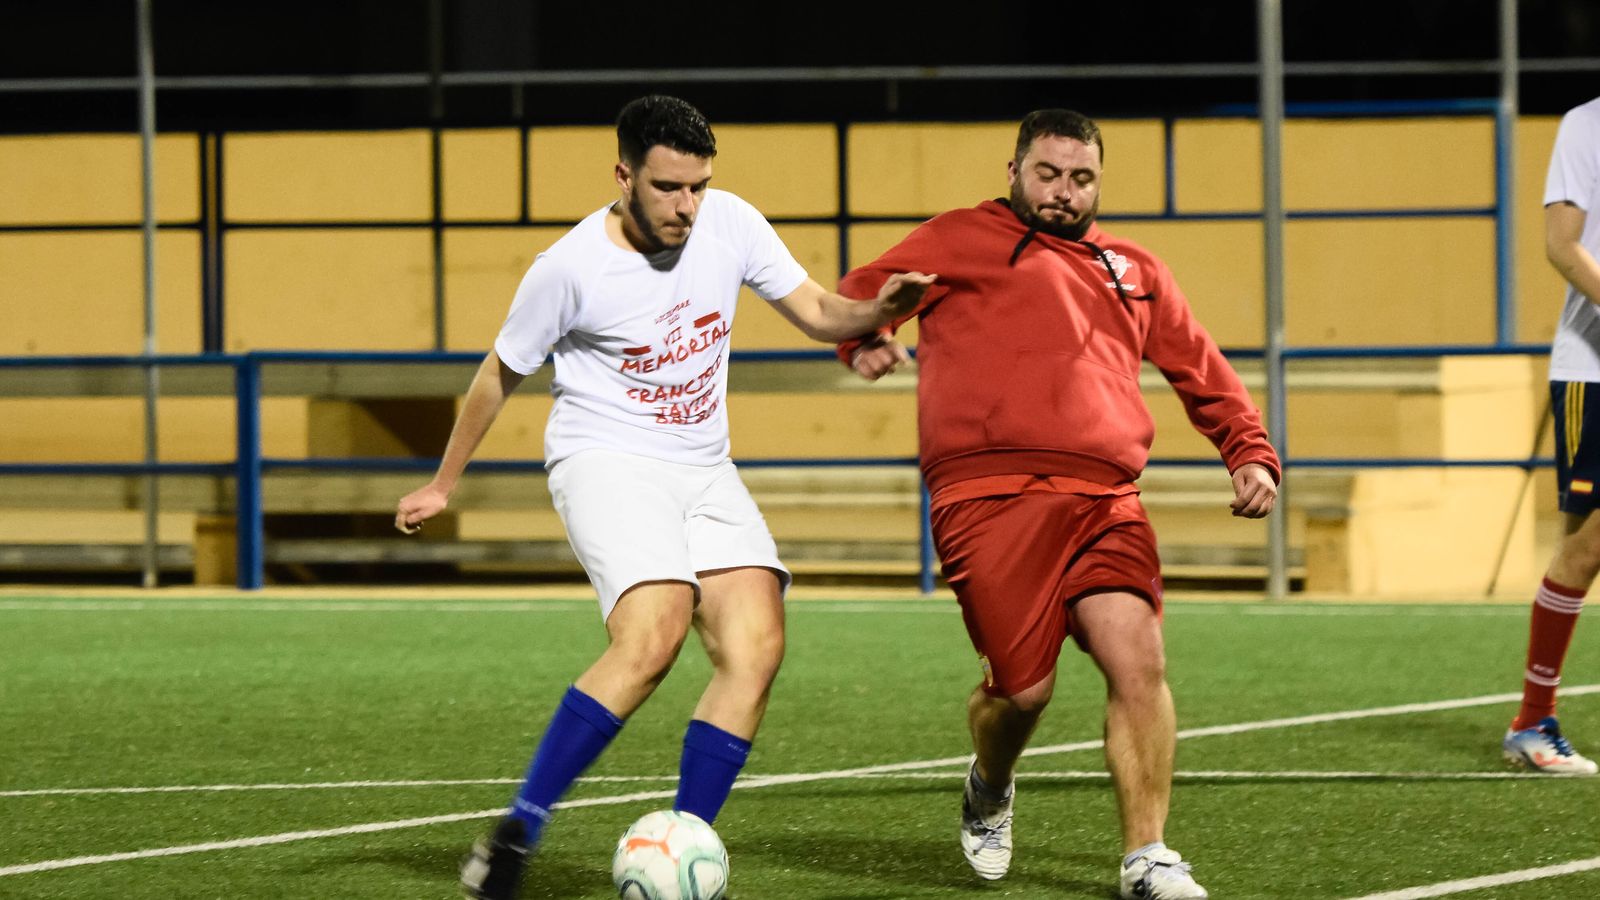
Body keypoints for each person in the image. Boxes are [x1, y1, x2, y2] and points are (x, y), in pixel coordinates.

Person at [395, 94, 932, 900]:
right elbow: (498, 373)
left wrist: (877, 312)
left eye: (698, 186)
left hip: (703, 466)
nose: (687, 205)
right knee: (654, 634)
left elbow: (820, 311)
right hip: (605, 460)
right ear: (624, 176)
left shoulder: (732, 223)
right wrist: (443, 483)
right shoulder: (569, 267)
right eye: (668, 187)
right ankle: (517, 831)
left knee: (756, 646)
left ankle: (680, 843)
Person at [835, 109, 1279, 900]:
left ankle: (1148, 856)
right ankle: (990, 780)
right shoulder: (957, 237)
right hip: (987, 499)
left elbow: (1200, 367)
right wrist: (864, 336)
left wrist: (1248, 450)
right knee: (1022, 692)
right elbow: (860, 294)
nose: (1063, 192)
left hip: (1107, 499)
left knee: (1139, 660)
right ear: (1014, 172)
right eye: (1048, 174)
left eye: (1081, 178)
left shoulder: (1135, 269)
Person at [1502, 95, 1600, 777]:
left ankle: (1534, 718)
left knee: (1583, 550)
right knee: (1586, 546)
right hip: (1593, 369)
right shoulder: (1586, 125)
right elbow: (1561, 246)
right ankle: (1533, 720)